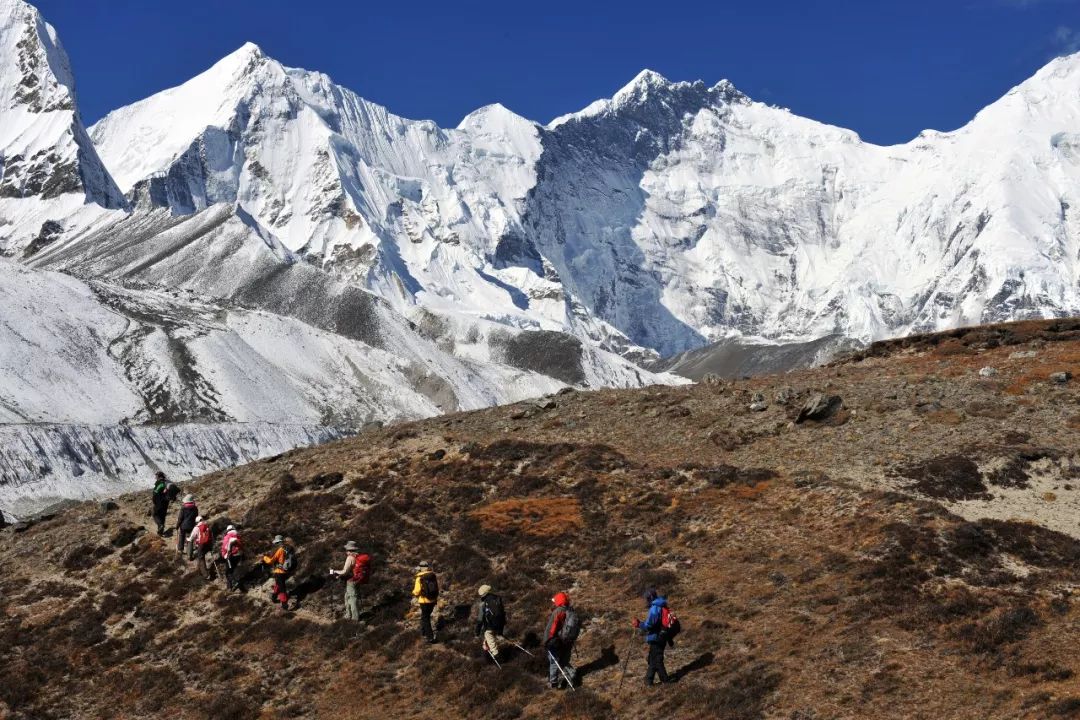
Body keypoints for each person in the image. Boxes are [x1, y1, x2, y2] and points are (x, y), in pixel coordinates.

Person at [634, 589, 677, 686]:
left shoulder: (655, 608)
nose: (645, 601)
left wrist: (639, 624)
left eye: (646, 598)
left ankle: (665, 681)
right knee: (652, 659)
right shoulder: (661, 605)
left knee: (657, 659)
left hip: (657, 637)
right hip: (661, 636)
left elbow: (649, 625)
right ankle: (648, 681)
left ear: (650, 598)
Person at [544, 592, 578, 689]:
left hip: (556, 641)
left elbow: (552, 628)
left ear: (559, 601)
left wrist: (547, 641)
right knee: (563, 660)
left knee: (553, 661)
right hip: (568, 640)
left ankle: (553, 682)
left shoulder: (558, 611)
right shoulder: (570, 610)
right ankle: (572, 674)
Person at [329, 541, 370, 621]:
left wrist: (334, 571)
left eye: (346, 550)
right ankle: (348, 615)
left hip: (352, 581)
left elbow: (345, 571)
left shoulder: (350, 558)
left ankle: (355, 618)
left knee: (352, 598)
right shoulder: (358, 556)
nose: (346, 551)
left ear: (349, 550)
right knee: (347, 597)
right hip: (358, 579)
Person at [261, 535, 294, 611]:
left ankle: (284, 605)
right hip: (286, 571)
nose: (275, 545)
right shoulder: (289, 548)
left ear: (278, 542)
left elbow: (270, 561)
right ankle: (274, 597)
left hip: (279, 571)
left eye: (276, 543)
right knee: (278, 584)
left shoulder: (280, 550)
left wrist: (264, 557)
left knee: (282, 589)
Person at [474, 584, 506, 662]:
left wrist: (477, 632)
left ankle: (498, 658)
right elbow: (502, 613)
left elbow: (480, 620)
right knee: (488, 639)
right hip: (500, 625)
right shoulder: (498, 598)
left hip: (490, 626)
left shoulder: (483, 604)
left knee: (488, 635)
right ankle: (486, 652)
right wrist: (500, 630)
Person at [411, 561, 439, 643]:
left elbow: (416, 591)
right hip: (433, 600)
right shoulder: (432, 576)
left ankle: (430, 637)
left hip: (424, 601)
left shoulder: (419, 578)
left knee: (426, 619)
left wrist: (413, 593)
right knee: (425, 616)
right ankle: (423, 633)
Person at [220, 525, 243, 591]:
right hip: (238, 555)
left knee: (228, 572)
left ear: (228, 530)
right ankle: (231, 586)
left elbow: (225, 547)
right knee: (234, 571)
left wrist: (224, 555)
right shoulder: (237, 536)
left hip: (230, 556)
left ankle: (234, 585)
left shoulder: (227, 537)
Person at [150, 471, 171, 536]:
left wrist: (154, 501)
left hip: (159, 502)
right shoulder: (167, 482)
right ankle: (160, 532)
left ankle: (160, 525)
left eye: (156, 476)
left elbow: (155, 493)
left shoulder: (160, 483)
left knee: (155, 514)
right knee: (162, 516)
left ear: (159, 476)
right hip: (166, 502)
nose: (155, 477)